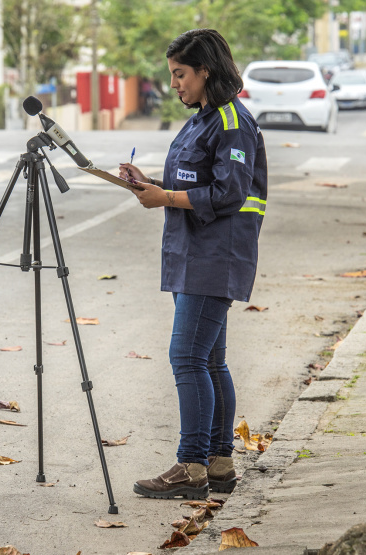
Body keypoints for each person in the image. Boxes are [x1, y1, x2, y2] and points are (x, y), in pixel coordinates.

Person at [118, 28, 267, 500]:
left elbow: (229, 192)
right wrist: (151, 184)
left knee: (187, 358)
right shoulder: (204, 118)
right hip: (196, 252)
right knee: (210, 360)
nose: (174, 84)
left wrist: (164, 197)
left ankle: (191, 466)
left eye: (180, 74)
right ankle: (218, 463)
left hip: (215, 255)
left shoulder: (232, 121)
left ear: (205, 70)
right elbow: (193, 180)